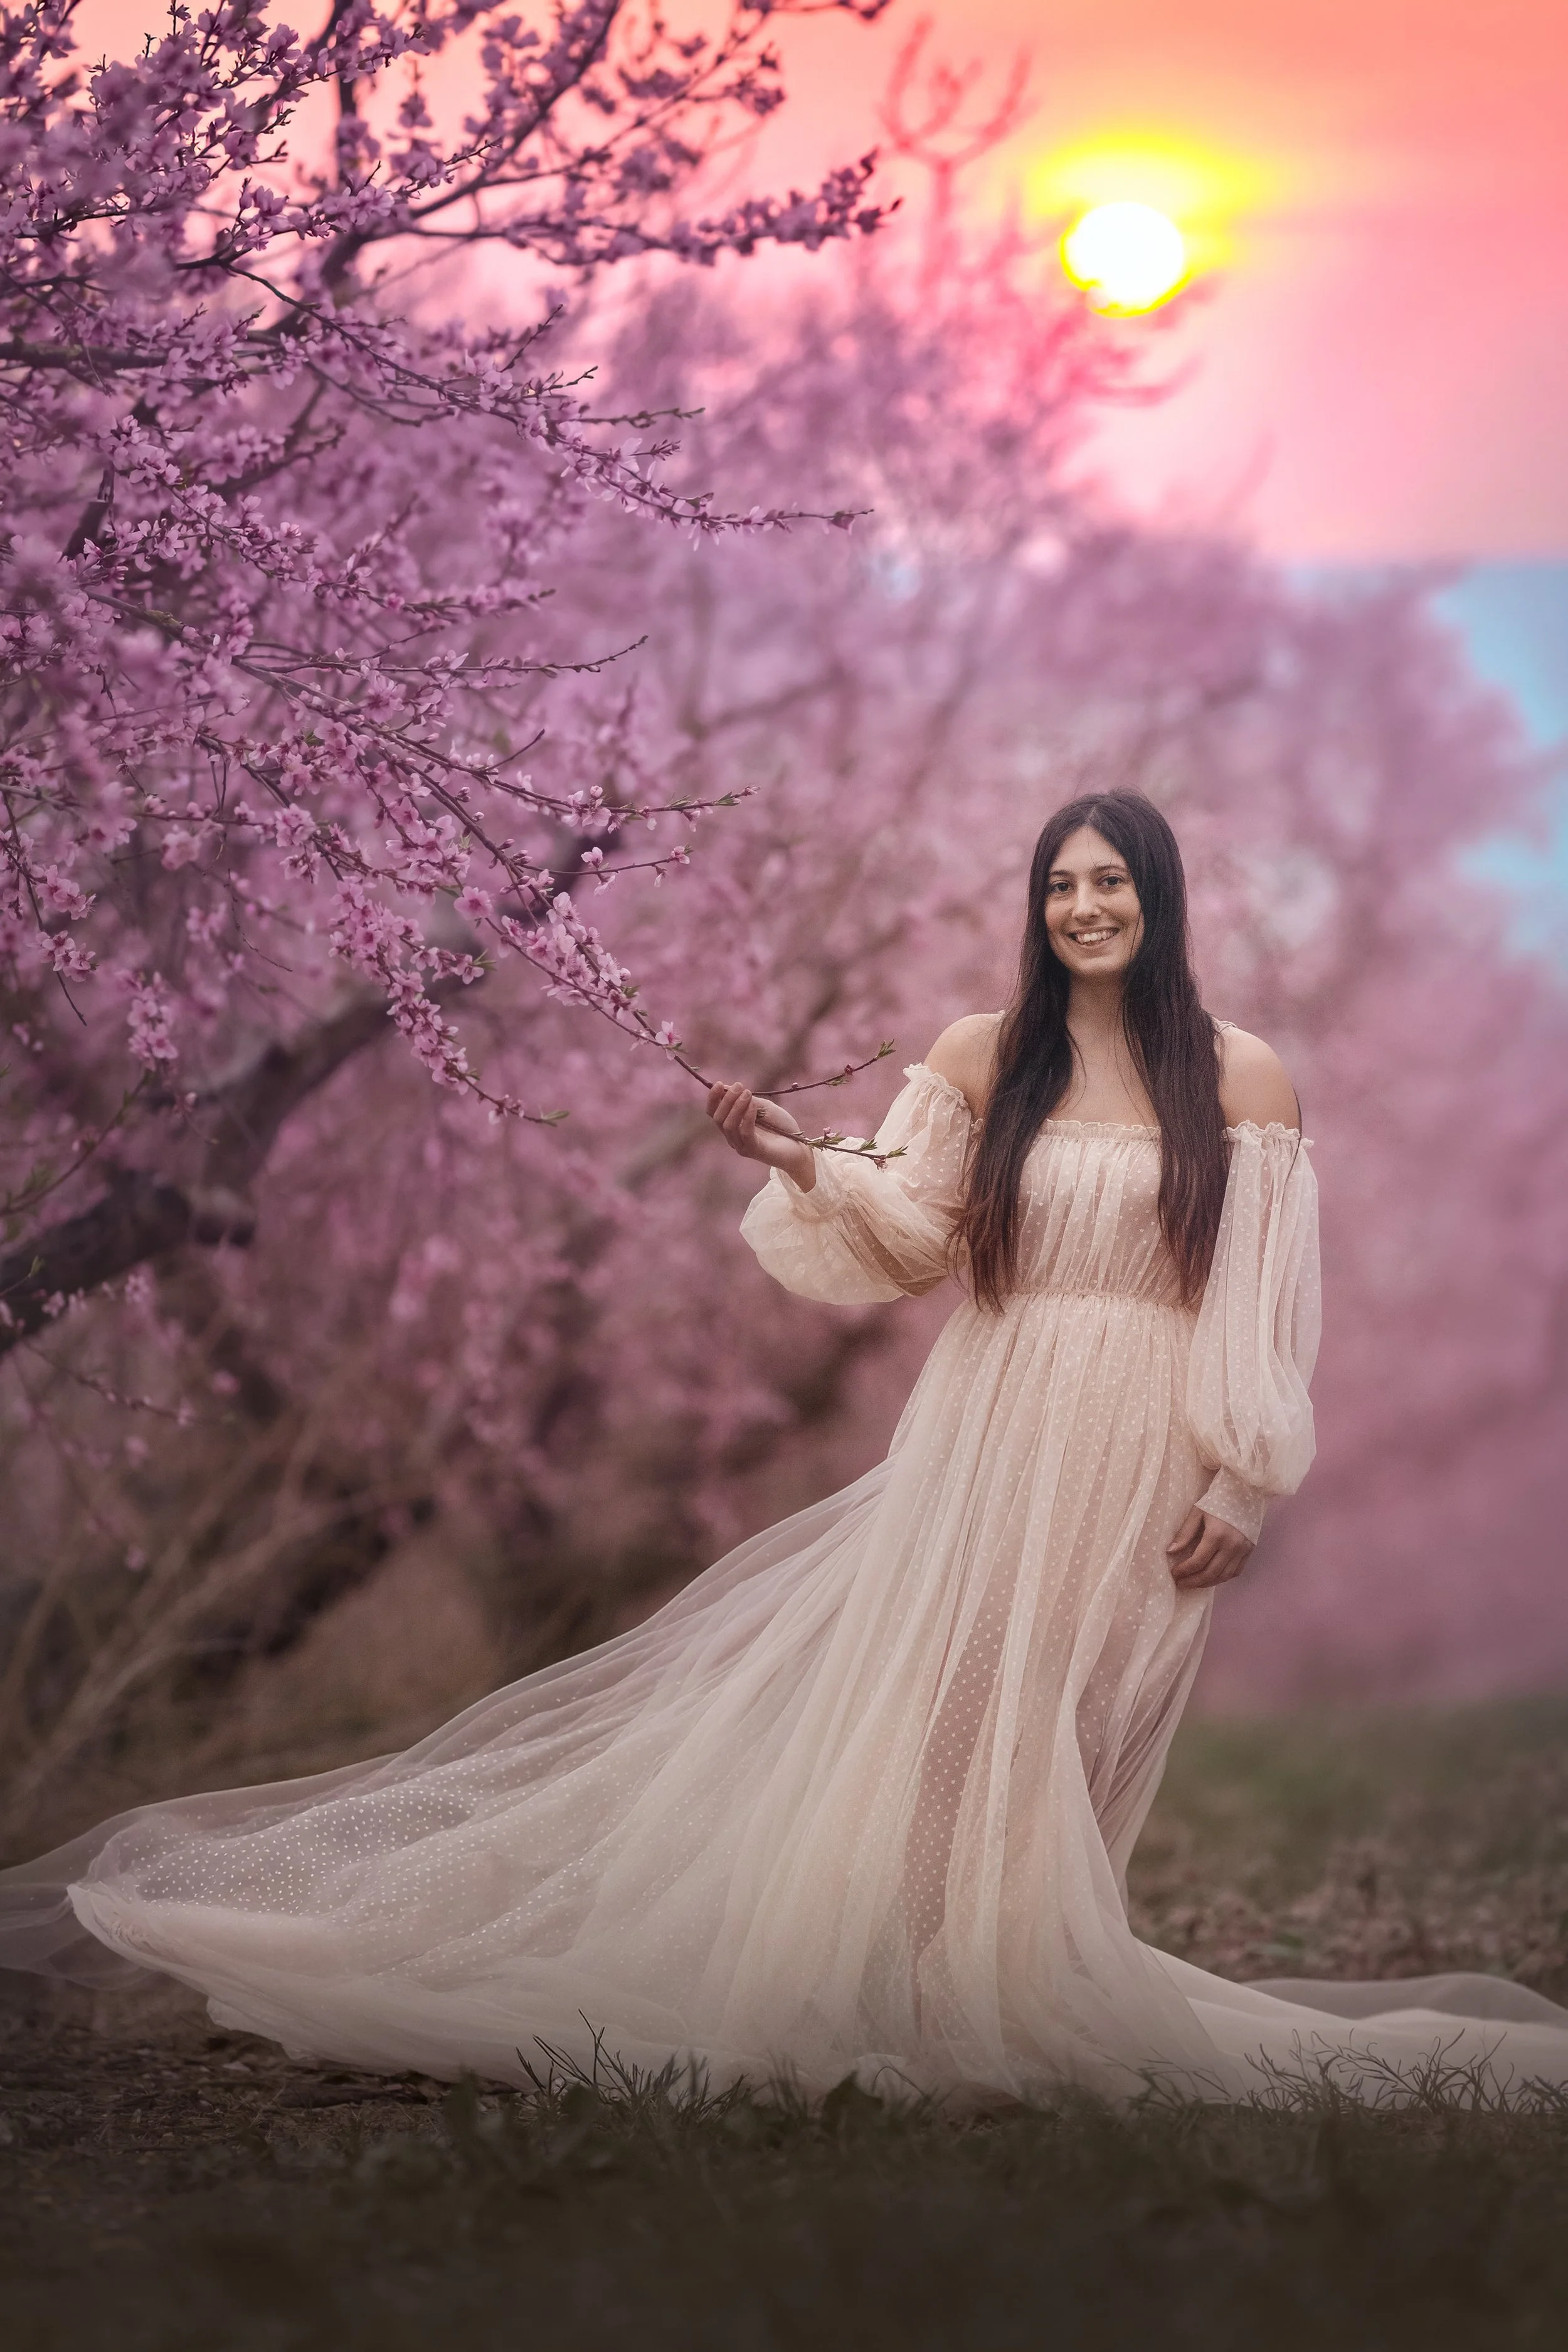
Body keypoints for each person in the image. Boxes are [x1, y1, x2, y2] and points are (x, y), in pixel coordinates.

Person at [3, 793, 1565, 2105]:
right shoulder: (981, 1053)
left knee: (1080, 1704)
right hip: (998, 1403)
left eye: (1109, 882)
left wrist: (1241, 1469)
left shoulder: (1239, 1077)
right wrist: (799, 1160)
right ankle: (924, 1984)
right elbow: (910, 1233)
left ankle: (1007, 1969)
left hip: (1150, 1423)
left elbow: (1260, 1294)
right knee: (959, 1690)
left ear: (1157, 898)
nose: (1084, 906)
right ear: (1037, 907)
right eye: (1060, 885)